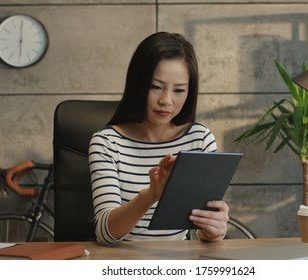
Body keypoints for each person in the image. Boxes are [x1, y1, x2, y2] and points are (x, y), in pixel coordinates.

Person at [88, 32, 229, 245]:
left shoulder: (200, 139)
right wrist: (151, 195)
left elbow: (203, 227)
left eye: (179, 90)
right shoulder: (107, 143)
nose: (166, 100)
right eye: (155, 87)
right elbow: (105, 233)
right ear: (138, 84)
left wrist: (214, 230)